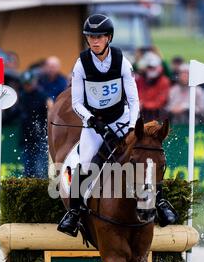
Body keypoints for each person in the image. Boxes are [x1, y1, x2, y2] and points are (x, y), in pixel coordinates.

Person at [58, 14, 178, 237]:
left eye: (99, 36)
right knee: (84, 164)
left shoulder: (122, 62)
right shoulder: (81, 64)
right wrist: (91, 120)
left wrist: (132, 127)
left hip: (121, 120)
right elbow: (76, 102)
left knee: (145, 158)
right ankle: (73, 214)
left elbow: (133, 101)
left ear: (108, 38)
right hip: (94, 123)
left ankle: (160, 203)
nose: (95, 41)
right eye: (91, 37)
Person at [136, 52, 171, 122]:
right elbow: (138, 96)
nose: (150, 70)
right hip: (141, 112)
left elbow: (160, 102)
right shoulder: (139, 80)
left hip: (157, 114)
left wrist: (144, 104)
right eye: (149, 67)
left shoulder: (164, 81)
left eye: (152, 67)